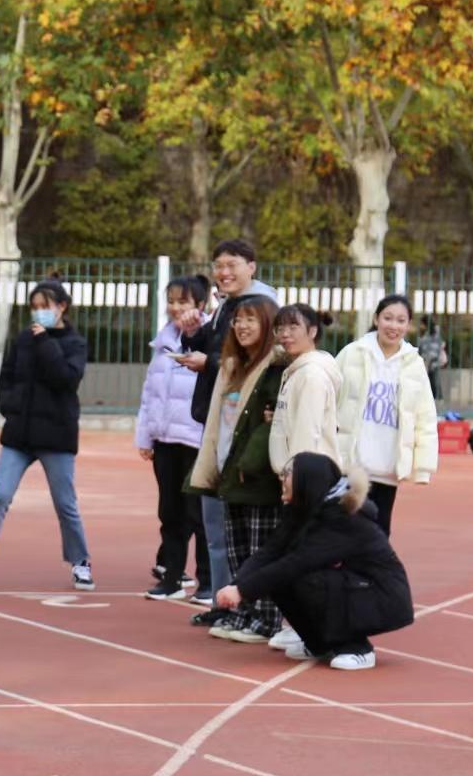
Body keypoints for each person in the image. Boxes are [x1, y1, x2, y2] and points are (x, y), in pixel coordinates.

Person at [0, 279, 92, 590]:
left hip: (56, 437)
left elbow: (66, 379)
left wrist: (46, 342)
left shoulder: (74, 343)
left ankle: (80, 561)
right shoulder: (23, 339)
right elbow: (7, 377)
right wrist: (10, 408)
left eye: (45, 306)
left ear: (62, 307)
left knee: (65, 503)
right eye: (35, 307)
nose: (39, 312)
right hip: (20, 435)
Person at [219, 451, 414, 671]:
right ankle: (318, 644)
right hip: (355, 587)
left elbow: (296, 563)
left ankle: (358, 648)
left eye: (288, 473)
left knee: (305, 579)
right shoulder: (304, 508)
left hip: (382, 597)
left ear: (307, 480)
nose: (282, 478)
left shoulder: (342, 517)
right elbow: (270, 552)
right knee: (281, 581)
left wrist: (242, 591)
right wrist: (237, 585)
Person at [180, 240, 277, 627]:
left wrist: (210, 362)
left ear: (251, 266)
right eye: (218, 265)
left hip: (245, 435)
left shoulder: (263, 305)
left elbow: (258, 359)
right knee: (217, 529)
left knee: (246, 531)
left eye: (232, 264)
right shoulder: (225, 306)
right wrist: (192, 335)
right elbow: (220, 353)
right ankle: (224, 603)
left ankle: (249, 607)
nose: (223, 272)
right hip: (217, 426)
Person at [135, 275, 211, 603]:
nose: (176, 307)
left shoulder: (210, 337)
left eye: (183, 301)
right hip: (165, 440)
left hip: (196, 440)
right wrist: (145, 436)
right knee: (170, 512)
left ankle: (208, 582)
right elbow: (149, 394)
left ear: (201, 305)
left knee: (200, 514)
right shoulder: (163, 341)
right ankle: (172, 578)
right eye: (171, 301)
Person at [335, 294, 439, 535]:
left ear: (409, 325)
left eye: (401, 320)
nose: (393, 326)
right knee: (343, 531)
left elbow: (425, 416)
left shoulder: (413, 363)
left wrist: (422, 467)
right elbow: (329, 397)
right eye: (388, 318)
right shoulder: (352, 353)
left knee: (379, 534)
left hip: (387, 467)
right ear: (376, 319)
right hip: (351, 465)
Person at [269, 302, 341, 474]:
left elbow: (307, 433)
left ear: (312, 331)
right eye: (280, 328)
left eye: (293, 327)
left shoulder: (311, 376)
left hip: (303, 476)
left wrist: (295, 476)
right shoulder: (297, 370)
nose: (285, 334)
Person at [418, 318, 448, 403]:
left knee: (434, 379)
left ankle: (439, 398)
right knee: (430, 379)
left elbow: (436, 346)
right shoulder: (426, 333)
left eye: (422, 324)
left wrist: (430, 357)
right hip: (427, 360)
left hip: (433, 360)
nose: (421, 326)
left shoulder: (434, 333)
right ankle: (435, 398)